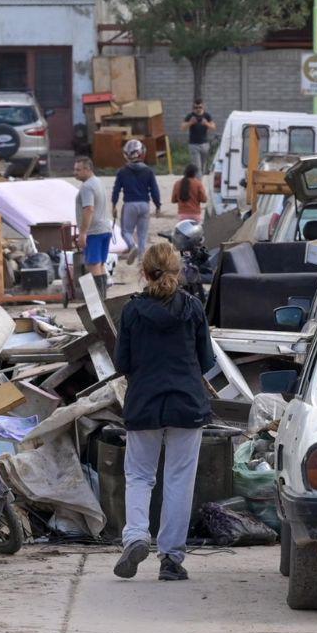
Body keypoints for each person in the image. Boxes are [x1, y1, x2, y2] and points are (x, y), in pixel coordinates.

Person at [112, 242, 214, 582]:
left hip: (143, 404)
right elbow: (207, 361)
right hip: (187, 403)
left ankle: (136, 536)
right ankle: (170, 559)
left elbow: (122, 363)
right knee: (178, 480)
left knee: (139, 475)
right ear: (178, 272)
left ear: (144, 273)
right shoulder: (193, 308)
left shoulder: (132, 311)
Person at [112, 139, 161, 265]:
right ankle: (142, 260)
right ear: (142, 153)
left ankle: (132, 246)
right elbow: (154, 190)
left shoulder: (122, 172)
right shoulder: (148, 171)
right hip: (145, 204)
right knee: (142, 234)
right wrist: (158, 205)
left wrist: (114, 204)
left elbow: (116, 190)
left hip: (129, 204)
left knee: (126, 231)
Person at [73, 156, 112, 299]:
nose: (75, 172)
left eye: (78, 170)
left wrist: (83, 233)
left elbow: (89, 208)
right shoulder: (98, 182)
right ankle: (104, 299)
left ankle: (98, 302)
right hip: (105, 229)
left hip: (94, 231)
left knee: (93, 264)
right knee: (100, 264)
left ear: (87, 169)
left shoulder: (87, 187)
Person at [181, 100, 216, 175]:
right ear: (193, 108)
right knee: (197, 166)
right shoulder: (190, 116)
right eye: (196, 107)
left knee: (203, 166)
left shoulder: (207, 116)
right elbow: (182, 128)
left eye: (200, 107)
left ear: (203, 107)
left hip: (205, 144)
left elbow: (213, 127)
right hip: (193, 145)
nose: (198, 109)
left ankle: (199, 181)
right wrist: (190, 123)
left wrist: (206, 123)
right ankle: (198, 183)